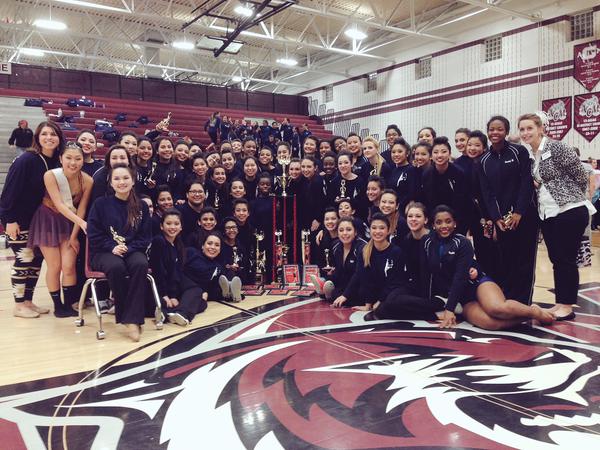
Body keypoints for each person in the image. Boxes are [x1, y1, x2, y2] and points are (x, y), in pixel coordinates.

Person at [423, 205, 555, 330]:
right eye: (439, 222)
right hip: (463, 299)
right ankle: (530, 314)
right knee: (491, 324)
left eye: (448, 221)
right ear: (433, 225)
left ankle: (533, 311)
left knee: (496, 308)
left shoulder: (462, 242)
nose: (444, 226)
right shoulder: (428, 243)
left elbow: (460, 277)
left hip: (477, 284)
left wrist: (449, 309)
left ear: (455, 223)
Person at [519, 113, 596, 321]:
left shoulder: (556, 147)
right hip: (548, 212)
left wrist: (571, 197)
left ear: (540, 129)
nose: (526, 133)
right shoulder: (532, 155)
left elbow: (581, 175)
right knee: (557, 259)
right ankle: (561, 302)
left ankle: (567, 306)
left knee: (566, 259)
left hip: (569, 210)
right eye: (522, 129)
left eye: (529, 128)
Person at [1, 121, 63, 318]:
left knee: (36, 262)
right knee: (23, 260)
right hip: (19, 220)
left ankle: (28, 301)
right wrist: (9, 220)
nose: (49, 137)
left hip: (39, 222)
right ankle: (19, 305)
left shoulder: (57, 162)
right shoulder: (26, 160)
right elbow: (9, 192)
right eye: (44, 134)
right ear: (37, 137)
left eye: (53, 134)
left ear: (59, 138)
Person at [87, 165, 152, 342]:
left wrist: (128, 248)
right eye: (117, 178)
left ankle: (131, 317)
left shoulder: (141, 207)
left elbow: (145, 237)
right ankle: (129, 319)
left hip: (132, 250)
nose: (121, 182)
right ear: (110, 182)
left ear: (132, 181)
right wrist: (112, 247)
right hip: (103, 251)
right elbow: (94, 234)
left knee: (140, 264)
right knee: (116, 266)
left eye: (125, 178)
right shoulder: (100, 204)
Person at [27, 143, 93, 317]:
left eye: (78, 159)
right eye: (69, 158)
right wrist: (83, 223)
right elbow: (59, 204)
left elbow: (82, 209)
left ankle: (69, 303)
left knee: (69, 266)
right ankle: (58, 306)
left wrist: (74, 236)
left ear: (82, 160)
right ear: (61, 159)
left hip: (70, 224)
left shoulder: (87, 180)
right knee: (54, 266)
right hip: (47, 221)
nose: (73, 162)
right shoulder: (51, 175)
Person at [478, 115, 538, 305]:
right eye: (492, 129)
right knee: (507, 260)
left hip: (525, 217)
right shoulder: (483, 160)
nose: (495, 133)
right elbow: (487, 193)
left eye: (499, 129)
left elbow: (526, 184)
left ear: (506, 131)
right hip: (502, 221)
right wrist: (497, 219)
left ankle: (523, 301)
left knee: (524, 261)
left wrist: (519, 212)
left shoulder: (518, 152)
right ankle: (509, 300)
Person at [149, 209, 207, 326]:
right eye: (168, 223)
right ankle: (179, 312)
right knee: (197, 303)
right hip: (155, 286)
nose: (172, 227)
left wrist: (174, 296)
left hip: (170, 286)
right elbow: (158, 271)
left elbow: (175, 272)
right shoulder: (158, 241)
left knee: (200, 298)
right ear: (161, 226)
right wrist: (166, 295)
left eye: (176, 224)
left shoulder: (177, 244)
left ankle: (172, 314)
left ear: (181, 227)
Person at [354, 213, 409, 312]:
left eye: (382, 228)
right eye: (374, 228)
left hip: (393, 291)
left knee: (389, 305)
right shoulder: (364, 251)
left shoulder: (396, 251)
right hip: (376, 292)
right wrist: (368, 304)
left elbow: (395, 282)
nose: (377, 231)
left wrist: (380, 301)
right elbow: (365, 279)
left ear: (388, 230)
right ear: (370, 230)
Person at [314, 218, 367, 307]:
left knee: (342, 297)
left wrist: (345, 295)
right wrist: (330, 277)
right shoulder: (336, 246)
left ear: (355, 232)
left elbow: (359, 274)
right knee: (335, 292)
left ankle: (330, 292)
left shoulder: (362, 247)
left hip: (363, 285)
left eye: (349, 230)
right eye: (341, 230)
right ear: (338, 233)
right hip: (347, 282)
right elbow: (340, 271)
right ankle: (325, 285)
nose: (344, 233)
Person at [184, 232, 229, 301]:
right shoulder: (191, 252)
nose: (213, 247)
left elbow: (212, 291)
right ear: (202, 245)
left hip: (198, 298)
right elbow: (177, 271)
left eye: (217, 245)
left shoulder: (218, 268)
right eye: (209, 243)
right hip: (183, 289)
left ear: (220, 250)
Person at [218, 217, 246, 301]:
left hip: (238, 276)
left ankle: (230, 292)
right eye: (228, 228)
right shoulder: (220, 245)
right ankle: (232, 292)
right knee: (228, 274)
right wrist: (228, 267)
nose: (231, 230)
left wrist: (238, 267)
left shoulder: (241, 246)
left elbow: (244, 264)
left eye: (234, 227)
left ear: (237, 229)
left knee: (236, 277)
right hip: (224, 274)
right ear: (224, 230)